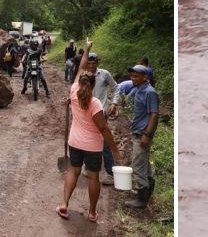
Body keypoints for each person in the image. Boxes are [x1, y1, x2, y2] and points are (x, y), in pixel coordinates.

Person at [57, 41, 123, 224]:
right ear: (94, 85)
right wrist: (116, 151)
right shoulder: (95, 104)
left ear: (80, 81)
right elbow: (103, 128)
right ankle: (92, 213)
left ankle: (64, 204)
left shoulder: (73, 91)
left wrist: (87, 48)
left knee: (73, 171)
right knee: (94, 176)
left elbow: (81, 65)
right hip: (92, 146)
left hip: (75, 142)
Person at [123, 65, 159, 209]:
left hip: (142, 134)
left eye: (136, 76)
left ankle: (141, 200)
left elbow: (154, 115)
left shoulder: (150, 92)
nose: (133, 79)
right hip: (138, 132)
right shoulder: (138, 89)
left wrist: (147, 135)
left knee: (137, 166)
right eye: (132, 76)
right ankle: (147, 190)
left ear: (145, 77)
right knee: (143, 164)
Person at [80, 52, 118, 184]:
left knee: (104, 141)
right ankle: (87, 166)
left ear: (98, 62)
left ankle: (111, 173)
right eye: (89, 63)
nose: (91, 65)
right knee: (86, 139)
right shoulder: (83, 75)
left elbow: (116, 87)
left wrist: (114, 103)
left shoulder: (104, 74)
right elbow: (79, 92)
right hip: (87, 113)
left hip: (101, 112)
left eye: (94, 63)